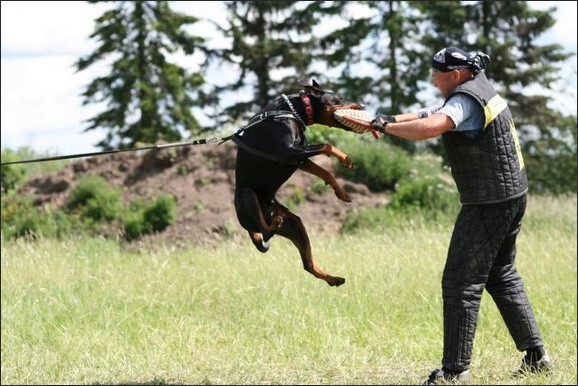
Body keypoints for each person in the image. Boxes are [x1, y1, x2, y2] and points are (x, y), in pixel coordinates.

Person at [370, 46, 553, 385]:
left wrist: (390, 131)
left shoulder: (464, 101)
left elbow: (430, 127)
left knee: (460, 282)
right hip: (511, 194)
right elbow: (429, 111)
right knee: (501, 273)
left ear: (454, 75)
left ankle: (454, 372)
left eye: (435, 74)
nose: (432, 79)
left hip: (489, 201)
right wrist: (388, 120)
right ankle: (536, 356)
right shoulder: (477, 89)